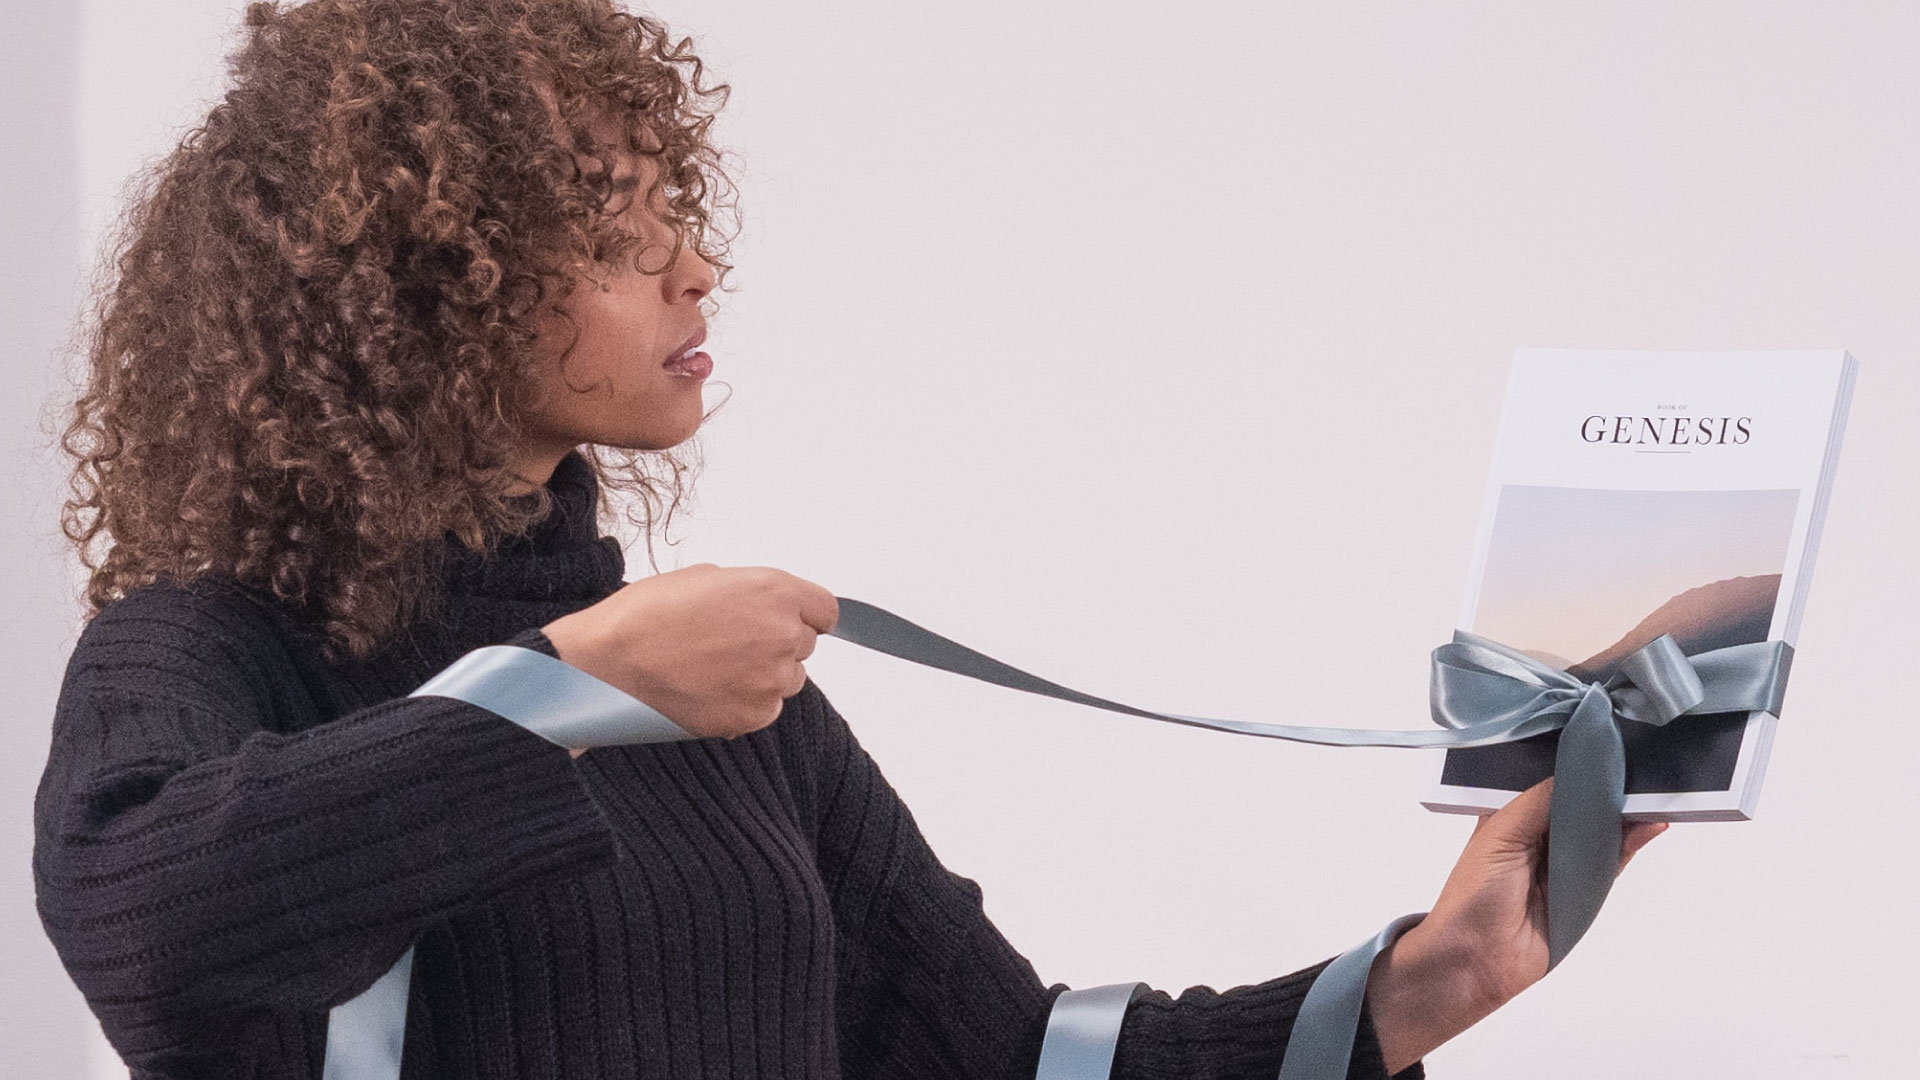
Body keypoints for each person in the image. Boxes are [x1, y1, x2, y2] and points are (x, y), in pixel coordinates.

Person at [32, 2, 1666, 1078]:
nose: (692, 268)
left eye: (676, 209)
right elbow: (147, 925)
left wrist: (1428, 982)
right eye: (610, 231)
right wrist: (570, 682)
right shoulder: (209, 650)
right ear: (419, 288)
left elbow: (1015, 1059)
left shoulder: (734, 710)